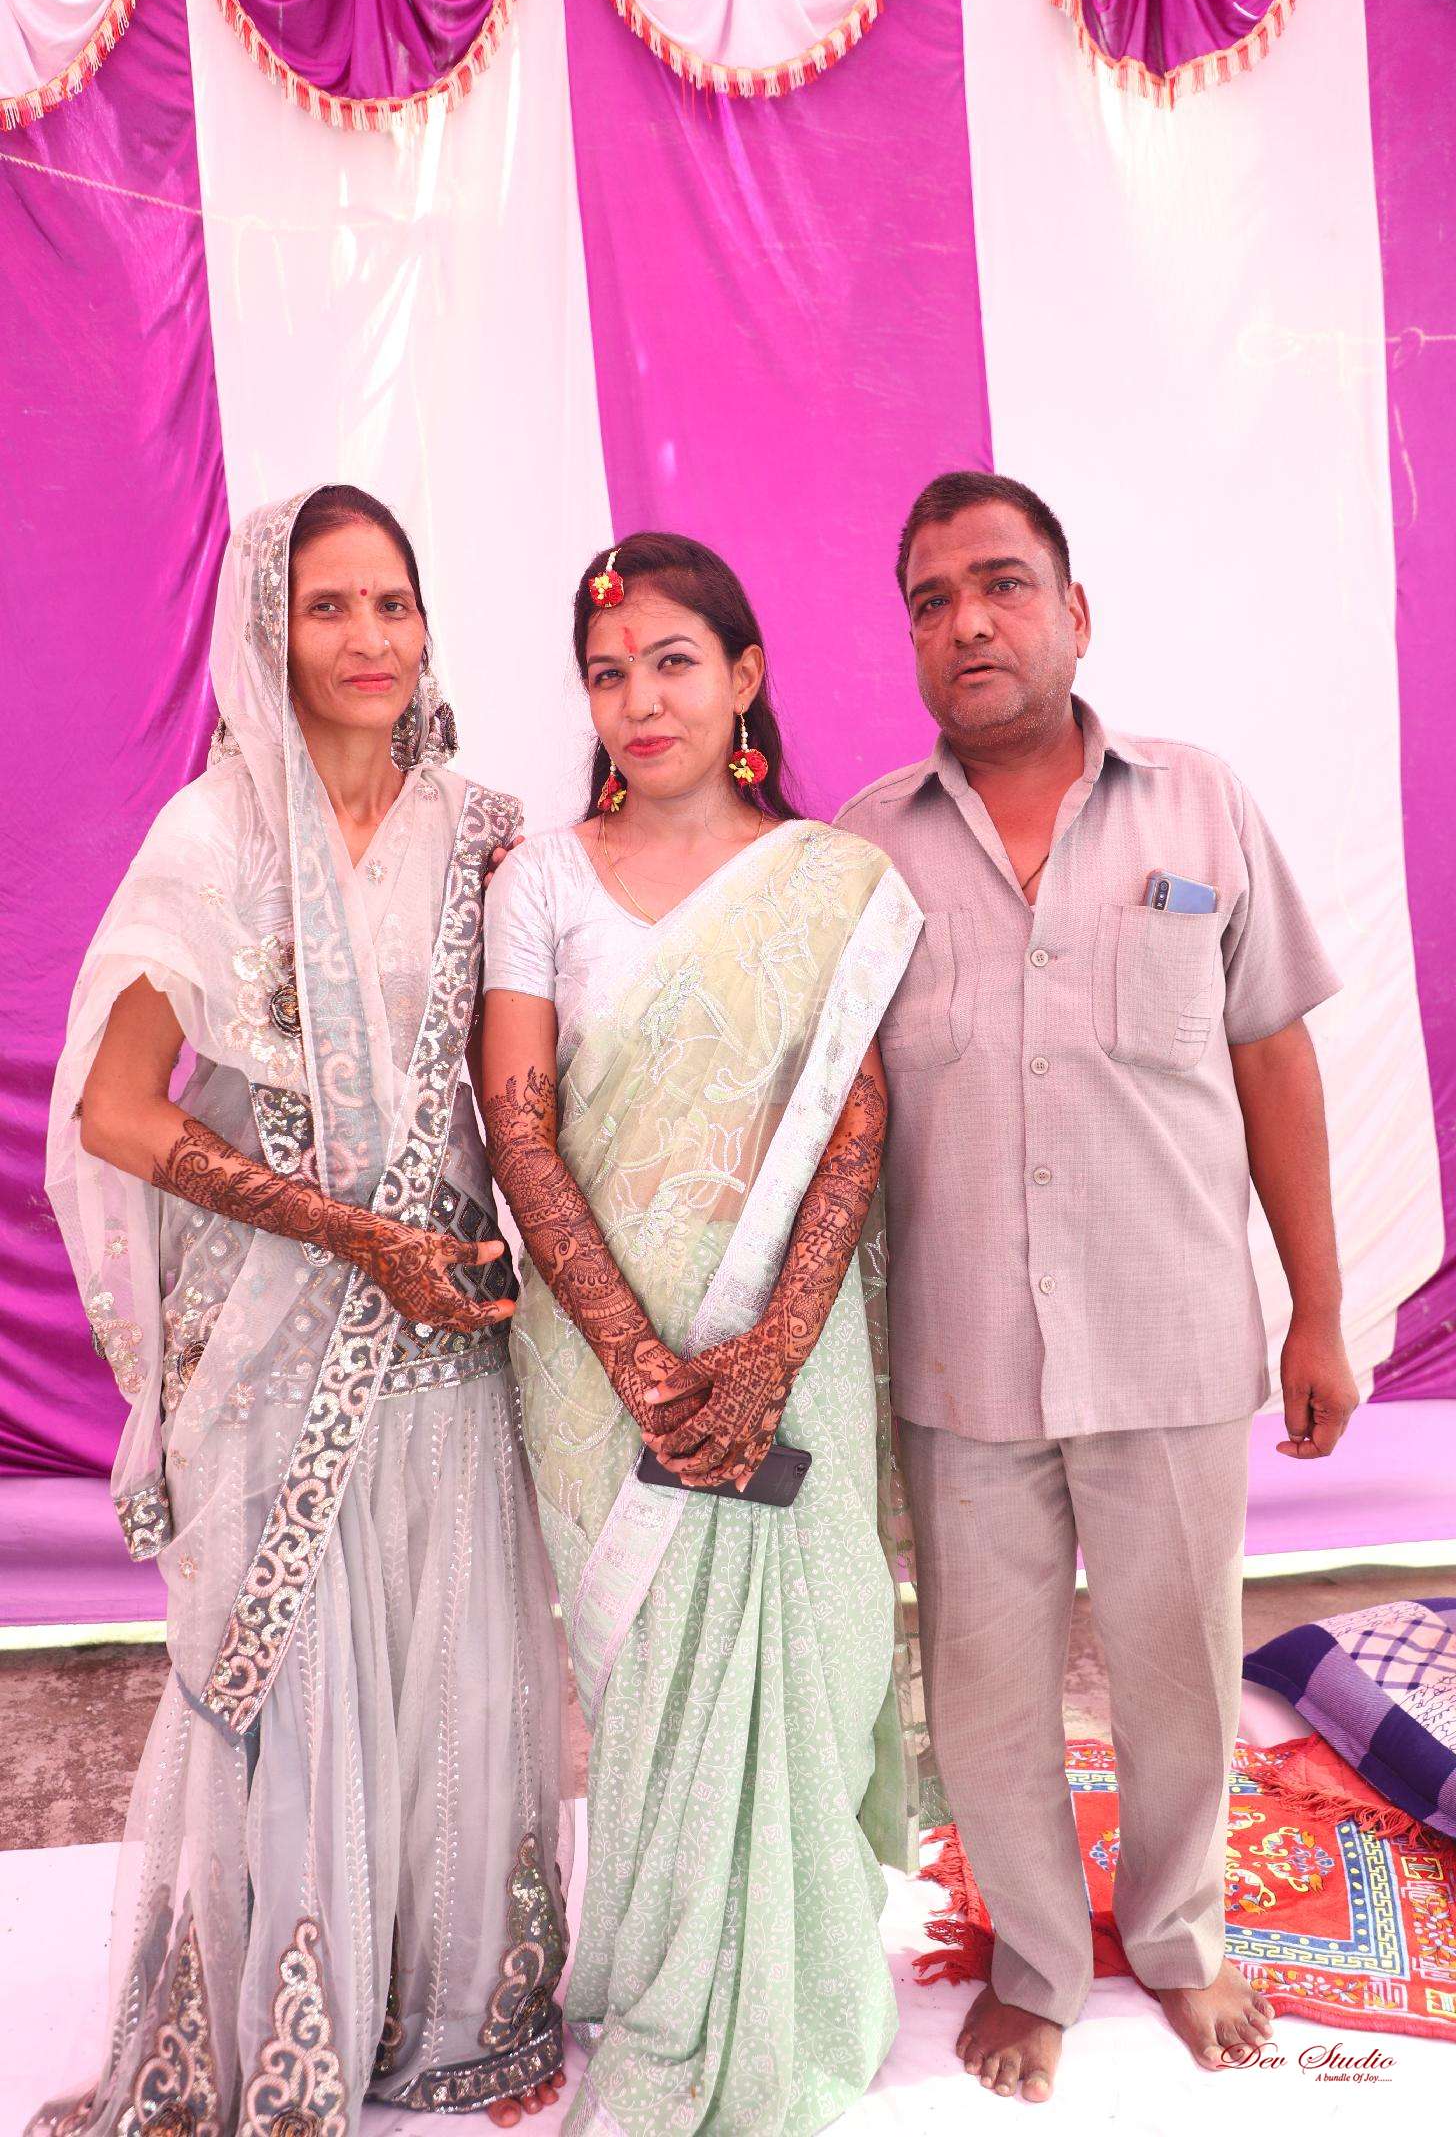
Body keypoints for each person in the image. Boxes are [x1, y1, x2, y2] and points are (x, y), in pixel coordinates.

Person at [32, 487, 567, 2134]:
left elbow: (527, 1084)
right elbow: (117, 1112)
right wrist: (351, 1237)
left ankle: (450, 2010)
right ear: (263, 632)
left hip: (450, 1331)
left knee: (451, 1661)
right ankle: (285, 2028)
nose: (366, 638)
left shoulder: (484, 832)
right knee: (303, 1672)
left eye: (392, 603)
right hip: (276, 1339)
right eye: (326, 606)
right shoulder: (215, 841)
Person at [837, 471, 1359, 2105]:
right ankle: (1037, 1963)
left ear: (1075, 612)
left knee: (1181, 1673)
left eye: (1002, 584)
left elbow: (1274, 1058)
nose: (968, 622)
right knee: (985, 1697)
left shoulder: (1200, 807)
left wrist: (1319, 1309)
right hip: (962, 1362)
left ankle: (1183, 1935)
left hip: (1173, 1335)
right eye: (932, 600)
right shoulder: (861, 848)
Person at [478, 532, 925, 2136]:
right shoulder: (538, 879)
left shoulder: (831, 881)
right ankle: (668, 1986)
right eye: (609, 674)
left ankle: (794, 1995)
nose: (641, 701)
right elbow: (522, 1131)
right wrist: (647, 1367)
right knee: (651, 1674)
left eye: (674, 663)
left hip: (787, 1357)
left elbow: (855, 1125)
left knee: (791, 1673)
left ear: (744, 677)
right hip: (601, 1373)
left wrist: (770, 1354)